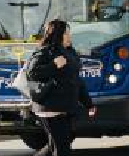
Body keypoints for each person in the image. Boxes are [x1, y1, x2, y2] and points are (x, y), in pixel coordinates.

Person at [26, 19, 96, 156]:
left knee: (58, 145)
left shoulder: (69, 52)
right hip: (50, 107)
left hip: (65, 107)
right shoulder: (46, 51)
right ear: (58, 35)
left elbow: (76, 80)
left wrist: (88, 104)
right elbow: (32, 73)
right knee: (62, 148)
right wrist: (53, 66)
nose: (69, 36)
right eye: (66, 33)